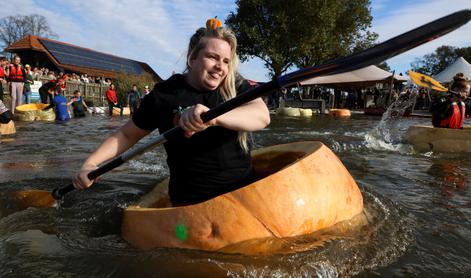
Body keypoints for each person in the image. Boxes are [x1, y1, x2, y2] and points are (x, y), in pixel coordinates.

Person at [73, 24, 270, 206]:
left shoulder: (234, 84)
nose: (221, 67)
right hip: (192, 200)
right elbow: (127, 135)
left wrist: (214, 118)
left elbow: (262, 116)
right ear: (192, 59)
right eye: (212, 57)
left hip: (244, 187)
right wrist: (91, 163)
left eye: (226, 61)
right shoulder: (164, 94)